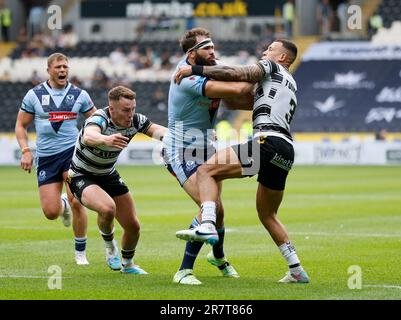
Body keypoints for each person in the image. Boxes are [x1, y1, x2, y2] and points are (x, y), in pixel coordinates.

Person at [174, 39, 310, 283]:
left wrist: (196, 69)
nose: (265, 51)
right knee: (267, 214)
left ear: (282, 58)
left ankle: (206, 224)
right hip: (285, 150)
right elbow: (236, 99)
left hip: (266, 142)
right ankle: (296, 269)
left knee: (206, 170)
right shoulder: (289, 83)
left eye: (271, 48)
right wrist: (223, 83)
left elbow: (243, 73)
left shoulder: (271, 67)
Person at [163, 27, 254, 285]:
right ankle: (183, 271)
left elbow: (236, 76)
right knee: (208, 208)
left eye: (213, 46)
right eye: (206, 48)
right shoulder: (187, 79)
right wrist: (261, 73)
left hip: (205, 147)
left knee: (217, 212)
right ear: (192, 55)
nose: (212, 52)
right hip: (181, 150)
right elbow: (237, 90)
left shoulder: (208, 66)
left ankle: (218, 258)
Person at [67, 85, 167, 274]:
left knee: (133, 226)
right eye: (126, 110)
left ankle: (128, 265)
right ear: (112, 109)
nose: (131, 114)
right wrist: (105, 140)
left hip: (108, 174)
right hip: (81, 174)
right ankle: (110, 246)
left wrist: (189, 138)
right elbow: (89, 136)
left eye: (133, 109)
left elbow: (160, 132)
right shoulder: (99, 119)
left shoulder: (136, 121)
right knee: (107, 208)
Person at [15, 53, 97, 265]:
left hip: (73, 154)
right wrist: (25, 150)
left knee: (77, 200)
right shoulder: (34, 95)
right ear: (49, 70)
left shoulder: (79, 95)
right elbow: (21, 126)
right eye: (58, 67)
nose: (62, 71)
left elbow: (96, 120)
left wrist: (96, 140)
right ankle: (62, 206)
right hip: (47, 157)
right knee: (51, 212)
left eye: (65, 67)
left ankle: (80, 253)